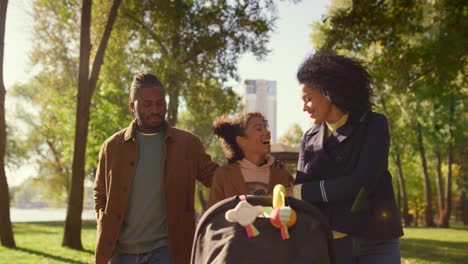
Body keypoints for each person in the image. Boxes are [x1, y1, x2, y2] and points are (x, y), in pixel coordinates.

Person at [93, 72, 218, 264]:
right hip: (119, 252)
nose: (155, 109)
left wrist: (253, 163)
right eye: (147, 104)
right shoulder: (112, 146)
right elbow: (100, 194)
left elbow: (217, 178)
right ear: (131, 107)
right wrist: (104, 223)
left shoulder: (187, 144)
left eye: (160, 103)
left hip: (167, 252)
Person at [295, 51, 403, 264]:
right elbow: (302, 196)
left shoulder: (374, 124)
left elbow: (361, 183)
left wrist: (298, 191)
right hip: (330, 241)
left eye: (308, 99)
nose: (304, 107)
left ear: (329, 91)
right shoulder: (309, 138)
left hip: (377, 238)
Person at [208, 112, 294, 208]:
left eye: (266, 128)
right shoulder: (223, 175)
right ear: (241, 141)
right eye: (259, 129)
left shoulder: (281, 172)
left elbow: (294, 208)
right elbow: (213, 214)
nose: (267, 132)